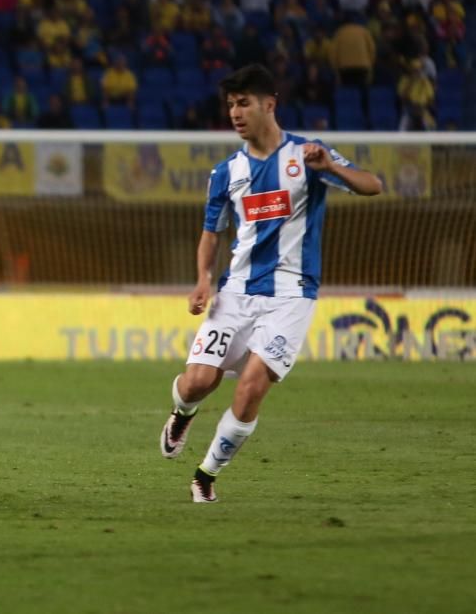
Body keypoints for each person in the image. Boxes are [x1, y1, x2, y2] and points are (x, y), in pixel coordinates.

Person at [159, 64, 382, 503]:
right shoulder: (226, 173)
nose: (235, 113)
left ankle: (206, 475)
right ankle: (183, 411)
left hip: (292, 295)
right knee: (198, 381)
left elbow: (372, 185)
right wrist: (203, 279)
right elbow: (211, 233)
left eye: (243, 103)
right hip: (236, 292)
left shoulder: (307, 156)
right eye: (230, 105)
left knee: (252, 386)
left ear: (269, 105)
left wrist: (332, 168)